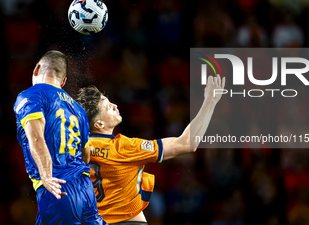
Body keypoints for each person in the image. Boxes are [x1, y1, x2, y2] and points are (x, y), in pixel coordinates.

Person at [76, 74, 225, 224]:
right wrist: (210, 102)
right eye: (108, 107)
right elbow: (187, 143)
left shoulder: (73, 148)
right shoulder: (124, 147)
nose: (114, 105)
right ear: (99, 124)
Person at [13, 50, 107, 225]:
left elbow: (36, 138)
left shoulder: (31, 95)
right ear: (63, 81)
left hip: (57, 188)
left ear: (36, 69)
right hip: (86, 189)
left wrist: (46, 176)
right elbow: (86, 156)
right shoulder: (78, 110)